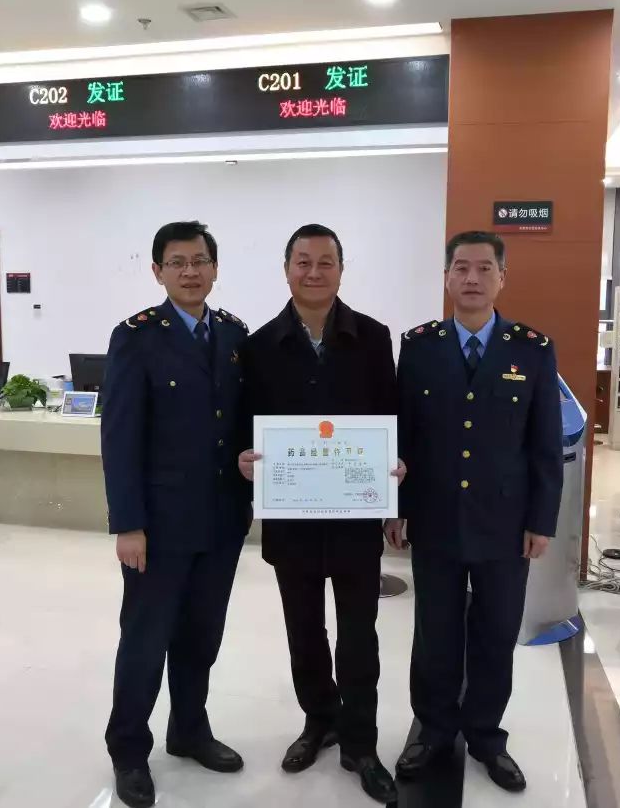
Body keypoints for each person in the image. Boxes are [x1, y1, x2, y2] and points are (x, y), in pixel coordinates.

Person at [387, 231, 563, 794]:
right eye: (461, 267)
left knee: (496, 631)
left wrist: (542, 520)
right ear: (446, 277)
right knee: (434, 632)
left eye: (484, 268)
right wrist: (395, 508)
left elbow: (544, 444)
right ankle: (433, 728)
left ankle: (486, 734)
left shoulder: (532, 349)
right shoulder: (419, 346)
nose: (471, 278)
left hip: (506, 523)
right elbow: (403, 435)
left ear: (502, 278)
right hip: (435, 515)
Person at [237, 224, 402, 804]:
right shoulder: (260, 345)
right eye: (303, 262)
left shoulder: (373, 337)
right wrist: (245, 457)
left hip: (356, 517)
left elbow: (391, 416)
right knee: (304, 631)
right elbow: (247, 421)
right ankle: (319, 720)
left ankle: (361, 743)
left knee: (359, 636)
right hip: (292, 519)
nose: (313, 272)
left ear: (341, 269)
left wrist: (395, 482)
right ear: (286, 269)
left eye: (325, 262)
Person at [101, 221, 250, 808]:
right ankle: (128, 750)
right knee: (145, 641)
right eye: (178, 262)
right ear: (157, 271)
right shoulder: (136, 337)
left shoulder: (233, 334)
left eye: (200, 261)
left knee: (201, 636)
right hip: (158, 527)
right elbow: (119, 438)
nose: (191, 272)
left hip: (221, 520)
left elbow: (241, 421)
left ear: (215, 267)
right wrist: (127, 524)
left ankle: (189, 729)